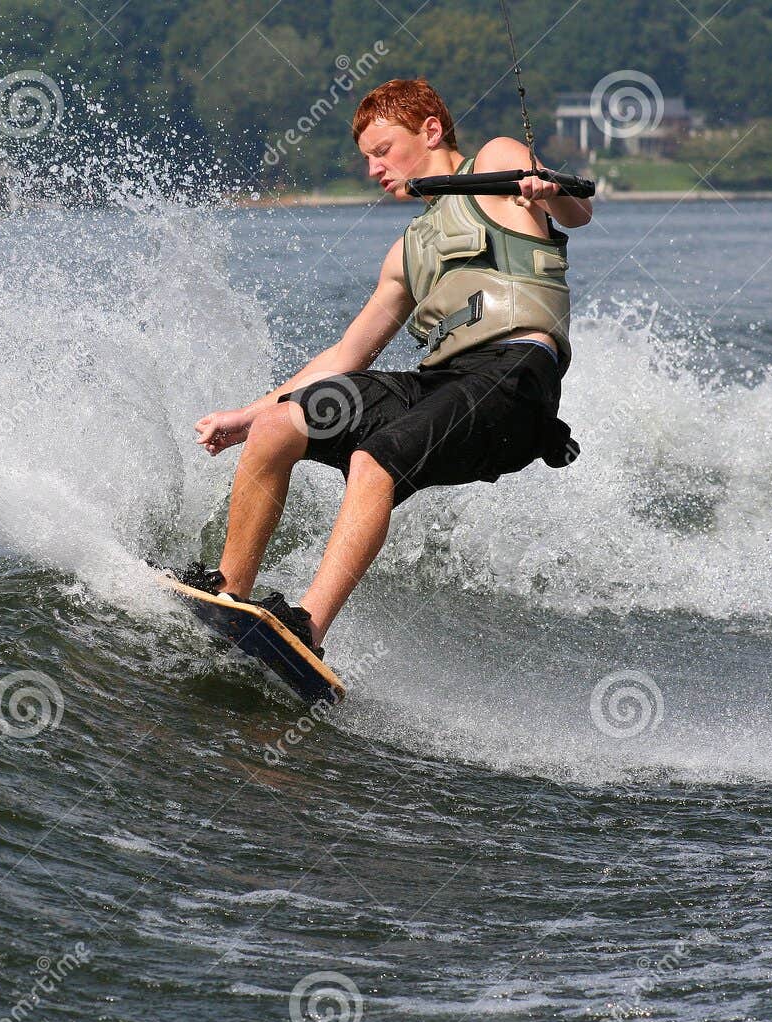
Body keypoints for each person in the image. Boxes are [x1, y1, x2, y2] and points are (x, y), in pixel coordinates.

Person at [185, 78, 592, 657]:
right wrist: (250, 415)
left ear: (429, 131)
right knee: (280, 427)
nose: (374, 168)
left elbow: (579, 213)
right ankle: (229, 596)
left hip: (516, 379)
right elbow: (345, 357)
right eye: (366, 159)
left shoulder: (499, 164)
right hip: (444, 382)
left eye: (382, 150)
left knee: (372, 461)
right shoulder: (407, 251)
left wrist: (549, 190)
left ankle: (306, 630)